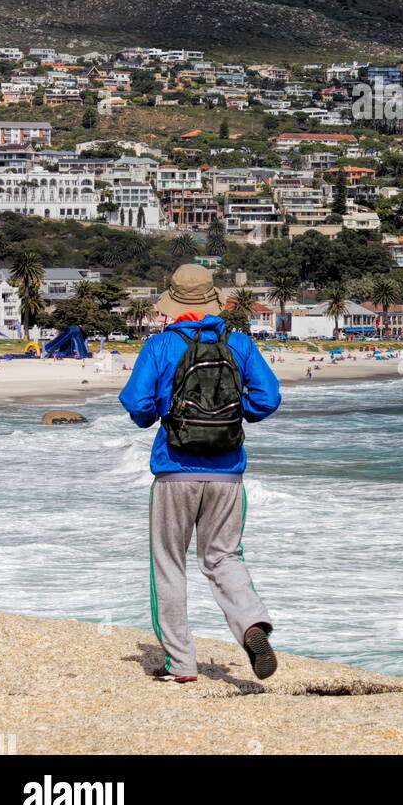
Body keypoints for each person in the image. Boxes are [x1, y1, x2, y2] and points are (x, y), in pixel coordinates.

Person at [119, 265, 281, 685]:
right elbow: (268, 399)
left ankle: (181, 664)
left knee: (169, 564)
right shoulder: (240, 343)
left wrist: (165, 412)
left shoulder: (159, 345)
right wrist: (228, 414)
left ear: (171, 302)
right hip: (228, 471)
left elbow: (137, 405)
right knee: (223, 556)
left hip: (174, 470)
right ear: (214, 299)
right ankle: (250, 623)